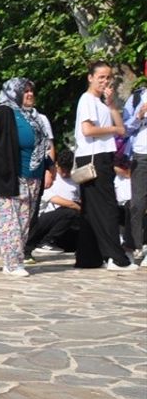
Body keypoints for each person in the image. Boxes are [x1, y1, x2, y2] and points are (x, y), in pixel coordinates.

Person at [0, 78, 51, 277]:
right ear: (14, 93)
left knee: (21, 225)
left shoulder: (33, 118)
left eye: (31, 90)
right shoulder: (1, 113)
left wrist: (49, 167)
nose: (29, 94)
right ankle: (12, 265)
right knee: (10, 223)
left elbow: (40, 148)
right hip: (4, 177)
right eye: (25, 91)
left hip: (32, 178)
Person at [73, 61, 135, 270]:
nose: (105, 81)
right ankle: (115, 257)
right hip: (95, 157)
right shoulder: (87, 100)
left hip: (100, 156)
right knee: (107, 207)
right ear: (90, 77)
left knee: (91, 210)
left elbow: (122, 128)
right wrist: (113, 129)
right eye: (101, 77)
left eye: (108, 77)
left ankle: (88, 257)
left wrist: (111, 105)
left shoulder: (101, 103)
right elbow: (88, 130)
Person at [25, 149, 81, 257]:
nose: (65, 174)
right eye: (62, 170)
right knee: (69, 211)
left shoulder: (75, 180)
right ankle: (46, 242)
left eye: (68, 171)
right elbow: (52, 198)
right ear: (57, 165)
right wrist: (75, 205)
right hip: (47, 218)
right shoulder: (50, 177)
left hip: (66, 222)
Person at [123, 85, 146, 264]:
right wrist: (138, 116)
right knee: (137, 203)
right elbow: (124, 128)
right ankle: (135, 245)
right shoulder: (137, 97)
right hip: (141, 154)